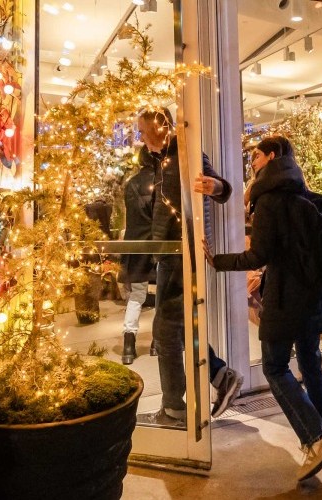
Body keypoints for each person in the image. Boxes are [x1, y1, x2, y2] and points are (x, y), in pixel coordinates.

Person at [203, 136, 322, 482]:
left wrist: (216, 260)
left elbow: (258, 254)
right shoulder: (301, 191)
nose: (252, 162)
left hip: (285, 298)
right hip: (313, 296)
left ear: (273, 156)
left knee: (275, 367)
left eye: (256, 156)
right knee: (312, 365)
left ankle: (318, 438)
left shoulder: (270, 199)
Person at [137, 107, 243, 425]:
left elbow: (224, 188)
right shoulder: (157, 160)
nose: (140, 137)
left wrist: (214, 188)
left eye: (143, 130)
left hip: (182, 254)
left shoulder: (187, 151)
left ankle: (175, 408)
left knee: (165, 331)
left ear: (159, 126)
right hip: (168, 253)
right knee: (179, 325)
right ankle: (220, 376)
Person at [118, 150, 158, 365]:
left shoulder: (131, 183)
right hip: (159, 245)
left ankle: (128, 345)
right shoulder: (160, 182)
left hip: (135, 245)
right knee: (162, 295)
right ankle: (156, 342)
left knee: (136, 296)